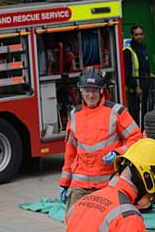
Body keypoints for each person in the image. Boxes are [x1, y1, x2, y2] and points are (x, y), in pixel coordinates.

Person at [59, 68, 142, 212]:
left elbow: (136, 138)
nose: (90, 95)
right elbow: (70, 152)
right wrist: (65, 183)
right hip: (81, 185)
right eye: (87, 91)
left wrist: (117, 153)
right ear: (81, 92)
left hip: (108, 184)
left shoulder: (117, 112)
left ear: (102, 91)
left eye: (95, 90)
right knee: (74, 222)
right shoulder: (74, 115)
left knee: (106, 224)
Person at [123, 25, 151, 130]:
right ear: (132, 36)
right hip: (135, 90)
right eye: (136, 34)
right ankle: (136, 136)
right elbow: (127, 73)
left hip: (145, 86)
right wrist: (136, 87)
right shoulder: (128, 51)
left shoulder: (143, 49)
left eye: (141, 34)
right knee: (136, 115)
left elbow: (144, 68)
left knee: (145, 113)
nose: (139, 36)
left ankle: (144, 133)